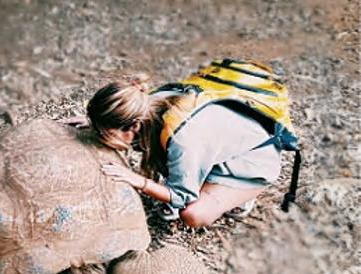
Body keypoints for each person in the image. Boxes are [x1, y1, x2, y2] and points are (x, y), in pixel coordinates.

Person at [64, 61, 292, 228]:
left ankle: (240, 198)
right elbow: (128, 128)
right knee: (175, 160)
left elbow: (183, 196)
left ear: (132, 125)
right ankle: (199, 175)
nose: (102, 137)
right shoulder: (143, 104)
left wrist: (139, 181)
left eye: (107, 132)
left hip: (250, 162)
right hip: (223, 142)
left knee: (193, 214)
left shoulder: (183, 140)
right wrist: (94, 125)